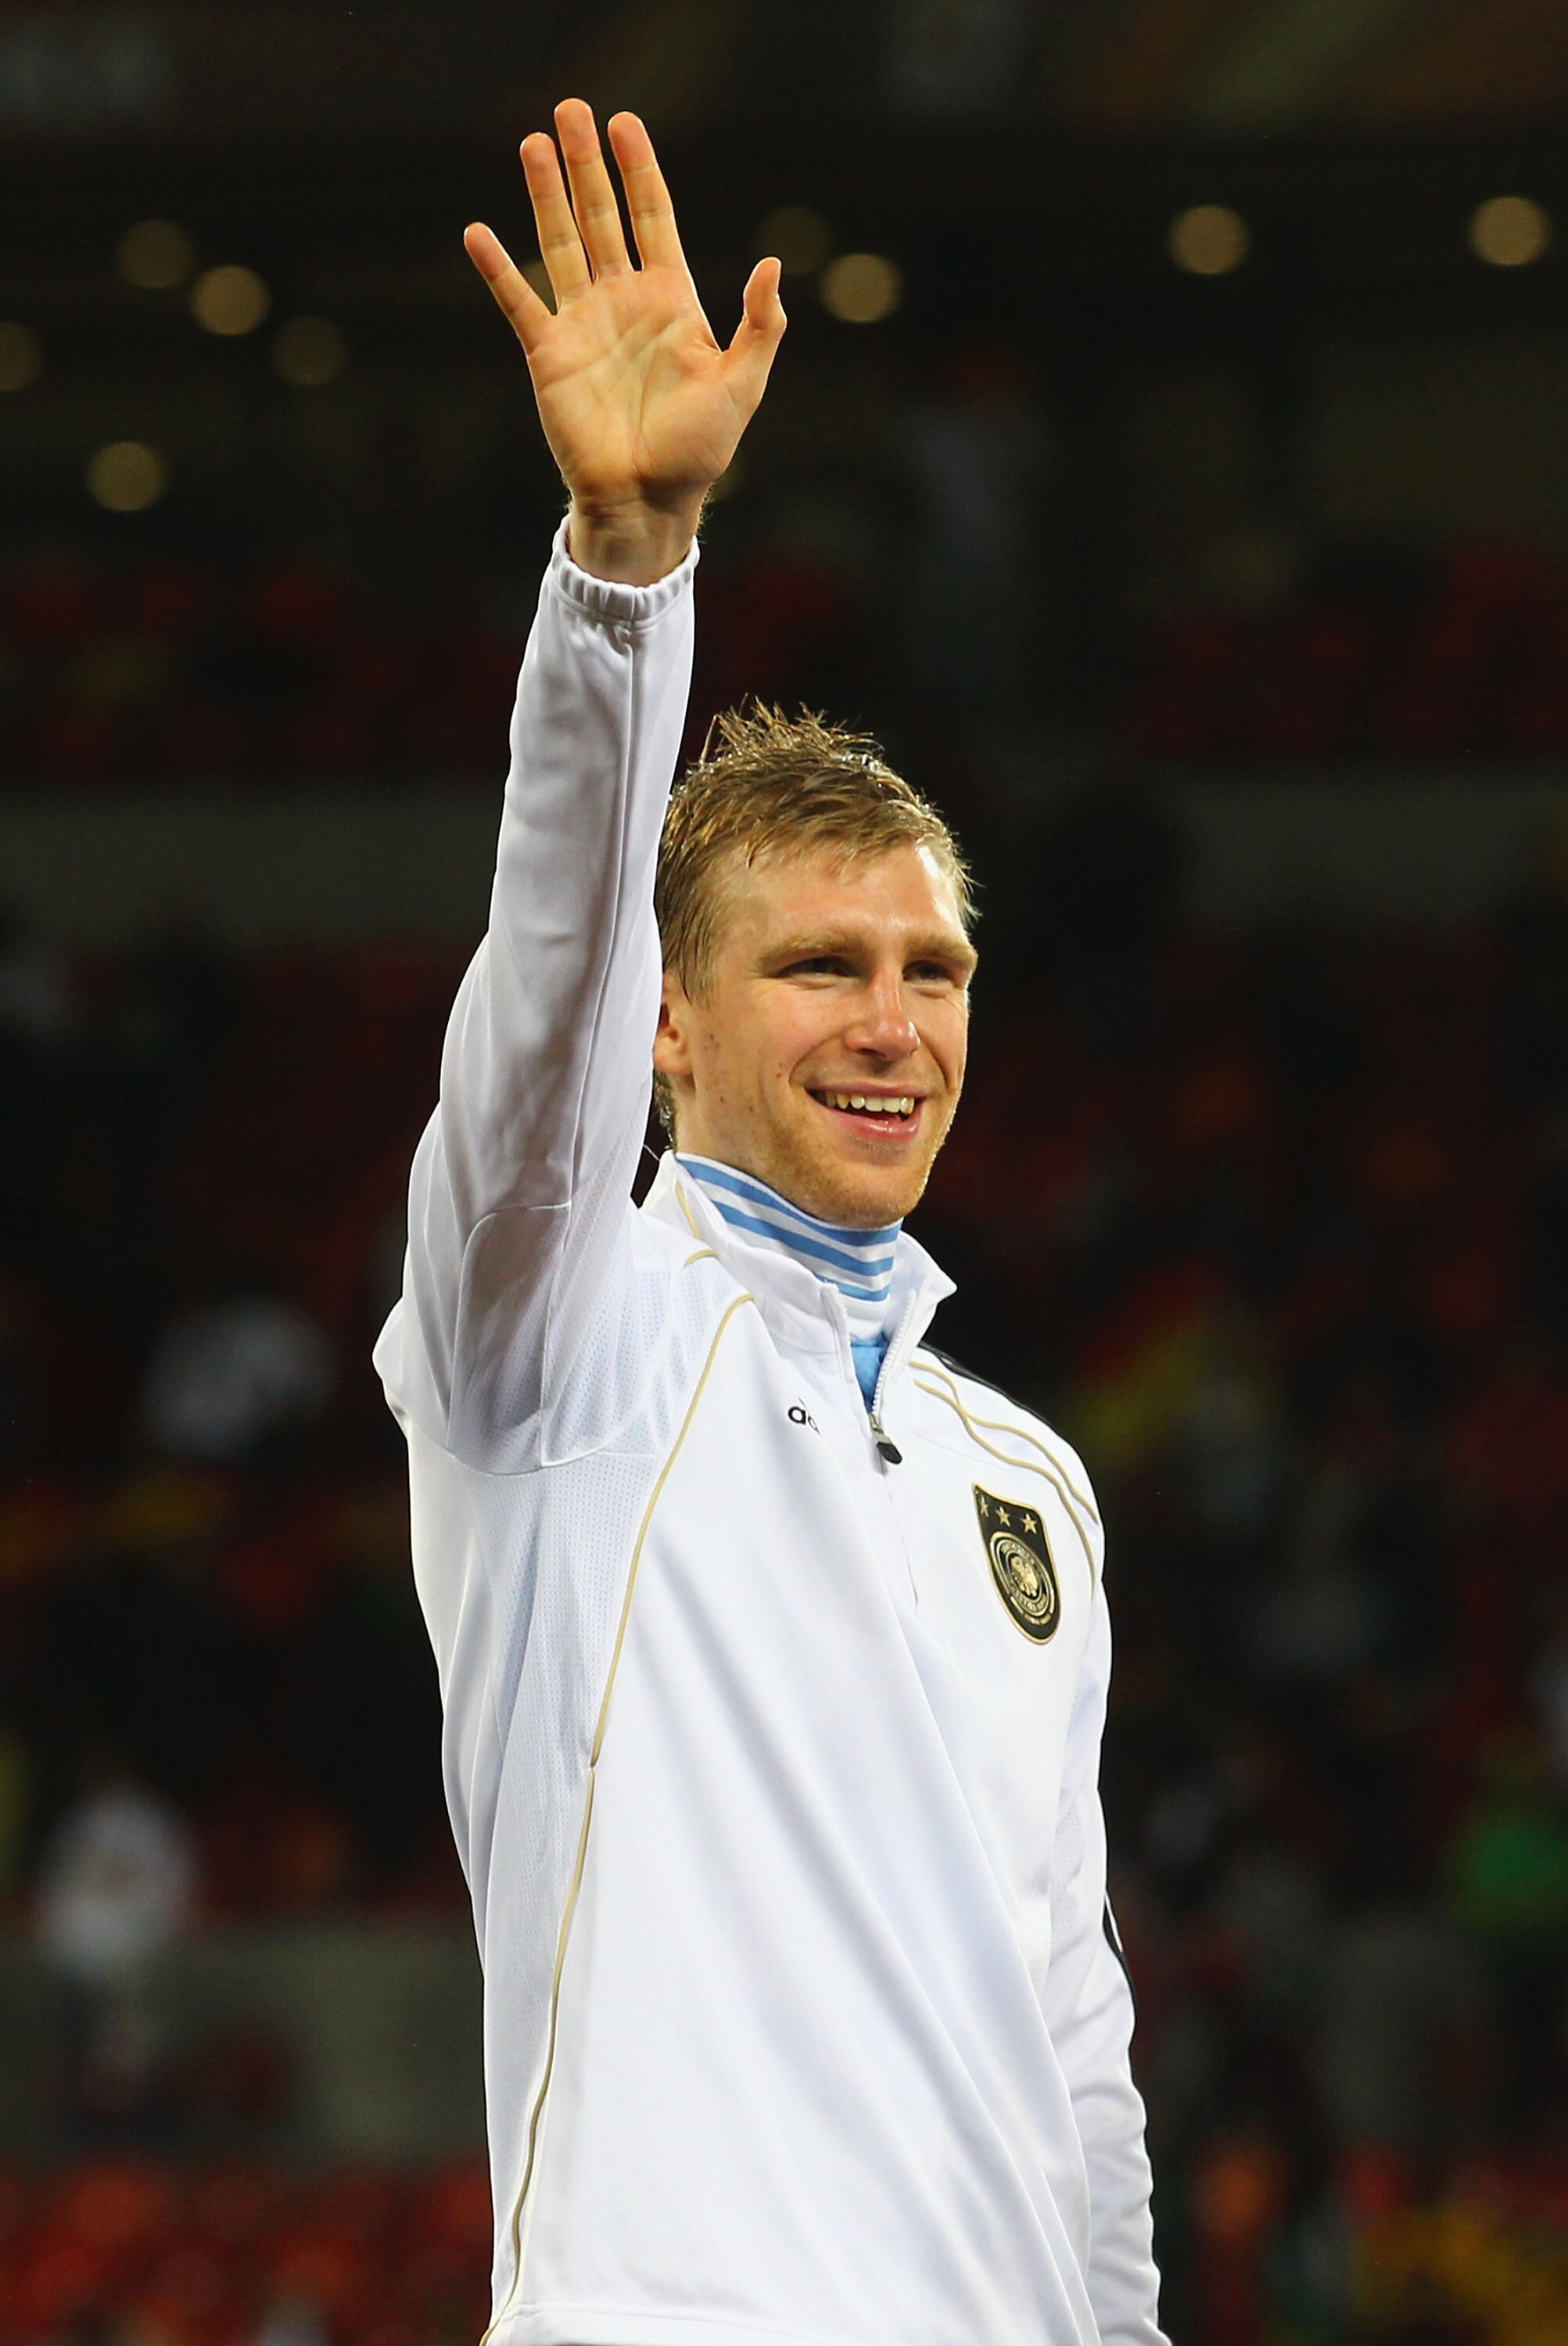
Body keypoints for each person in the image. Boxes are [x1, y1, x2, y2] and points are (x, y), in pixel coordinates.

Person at [375, 99, 1165, 2346]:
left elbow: (1071, 2021)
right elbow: (538, 999)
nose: (893, 1023)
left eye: (934, 972)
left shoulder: (1032, 1486)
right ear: (674, 1027)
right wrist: (625, 583)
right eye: (821, 966)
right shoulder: (562, 1348)